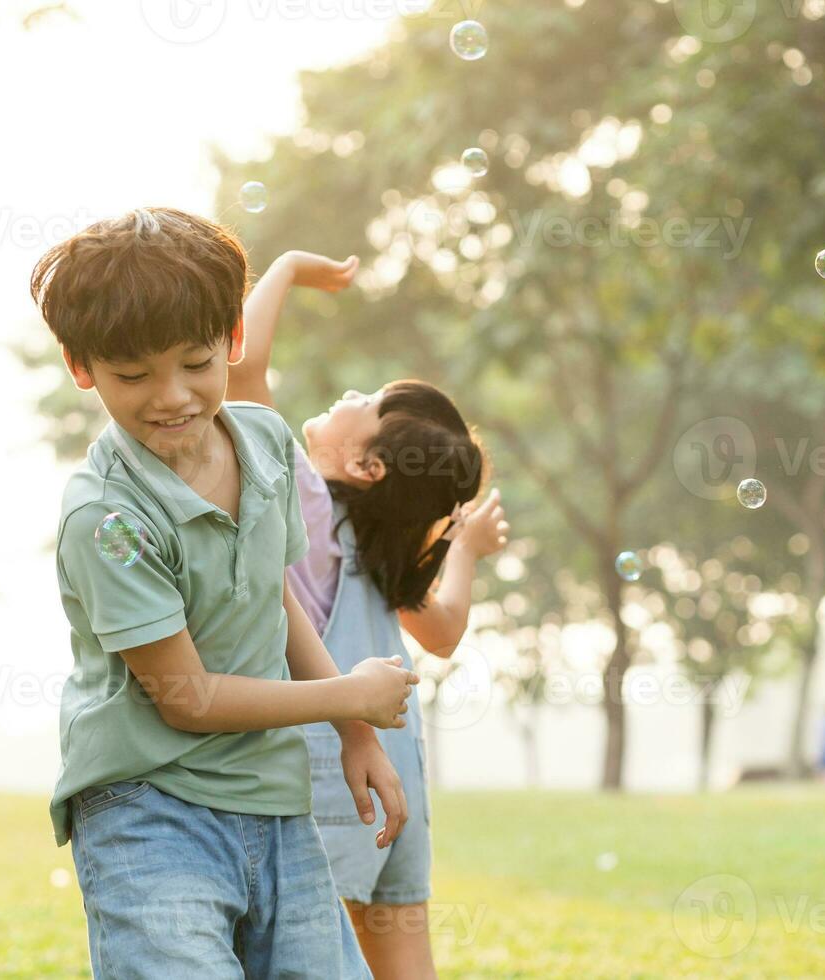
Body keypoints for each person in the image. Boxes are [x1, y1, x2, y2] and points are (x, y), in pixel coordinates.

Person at [34, 207, 419, 979]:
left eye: (196, 363)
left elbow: (270, 598)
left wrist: (357, 733)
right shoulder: (106, 518)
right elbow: (187, 698)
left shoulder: (266, 443)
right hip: (148, 813)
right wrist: (349, 695)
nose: (171, 397)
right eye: (133, 375)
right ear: (83, 367)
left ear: (232, 341)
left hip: (272, 801)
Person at [229, 248, 510, 980]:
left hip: (341, 780)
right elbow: (443, 633)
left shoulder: (308, 505)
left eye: (370, 401)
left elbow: (241, 370)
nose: (351, 392)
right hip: (403, 772)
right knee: (404, 960)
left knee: (317, 960)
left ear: (367, 468)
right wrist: (466, 549)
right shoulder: (386, 555)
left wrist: (286, 266)